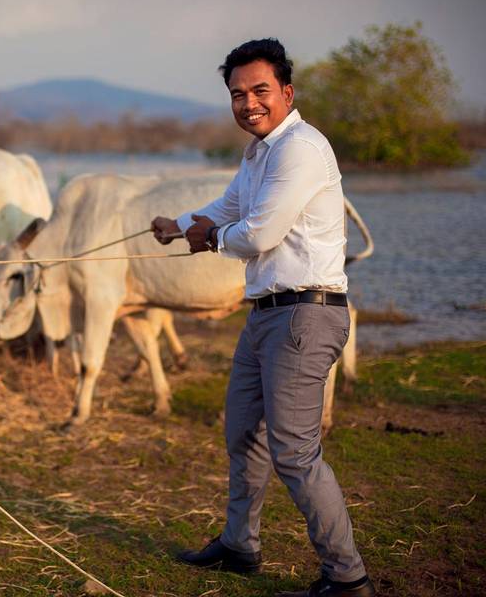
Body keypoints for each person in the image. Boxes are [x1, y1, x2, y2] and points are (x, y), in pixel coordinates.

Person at [151, 39, 374, 597]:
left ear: (286, 93)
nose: (248, 103)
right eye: (237, 94)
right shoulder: (260, 152)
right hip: (267, 314)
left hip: (305, 314)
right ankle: (239, 545)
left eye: (259, 91)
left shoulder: (300, 148)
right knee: (243, 433)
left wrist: (209, 240)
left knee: (294, 450)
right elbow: (229, 206)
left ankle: (347, 577)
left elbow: (257, 233)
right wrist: (178, 224)